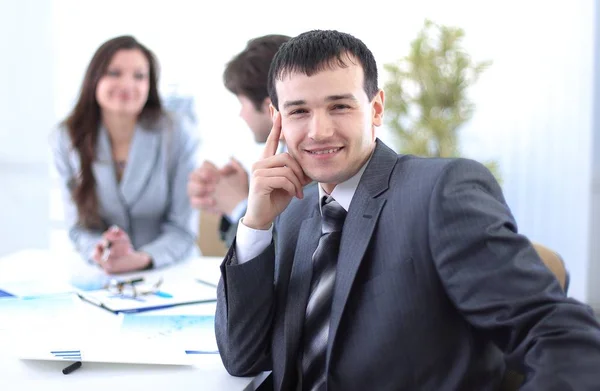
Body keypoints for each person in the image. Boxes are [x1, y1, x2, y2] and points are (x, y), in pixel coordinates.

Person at [215, 30, 600, 390]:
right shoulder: (294, 212)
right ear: (277, 119)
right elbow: (243, 356)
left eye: (340, 106)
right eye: (299, 111)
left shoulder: (440, 192)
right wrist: (255, 225)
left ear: (376, 108)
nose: (319, 131)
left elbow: (560, 335)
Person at [51, 35, 199, 274]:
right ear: (94, 79)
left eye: (139, 76)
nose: (128, 85)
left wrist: (141, 258)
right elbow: (78, 227)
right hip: (102, 272)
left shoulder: (177, 131)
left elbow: (183, 229)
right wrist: (100, 250)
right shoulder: (66, 137)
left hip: (168, 270)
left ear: (149, 85)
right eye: (114, 73)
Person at [187, 34, 290, 247]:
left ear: (271, 108)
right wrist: (242, 199)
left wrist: (240, 207)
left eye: (242, 103)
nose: (242, 115)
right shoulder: (281, 157)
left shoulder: (313, 169)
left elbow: (281, 261)